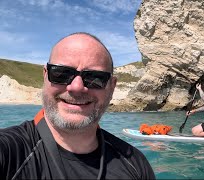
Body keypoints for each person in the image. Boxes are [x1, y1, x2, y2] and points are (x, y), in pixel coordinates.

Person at [0, 32, 155, 179]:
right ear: (45, 75)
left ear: (112, 86)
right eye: (61, 74)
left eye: (95, 78)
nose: (76, 87)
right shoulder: (9, 152)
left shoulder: (136, 164)